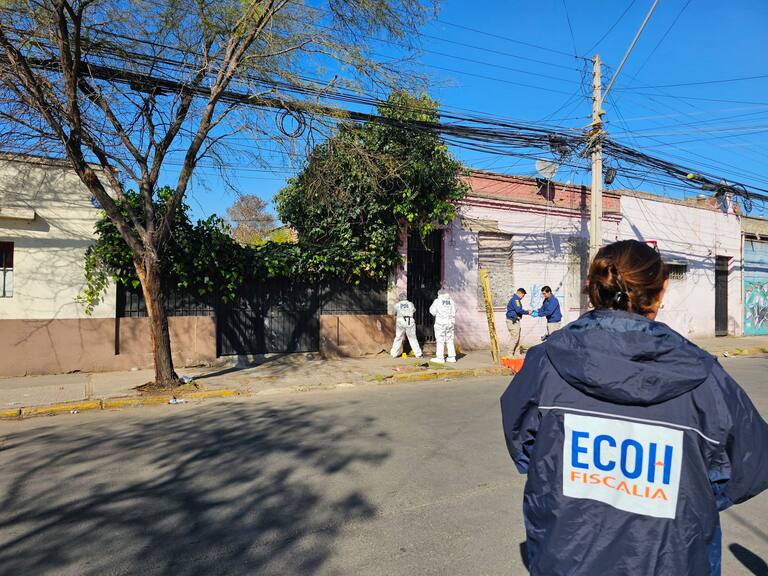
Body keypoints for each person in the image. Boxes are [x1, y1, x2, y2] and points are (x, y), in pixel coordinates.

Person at [500, 240, 768, 576]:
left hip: (566, 557)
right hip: (672, 560)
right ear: (661, 292)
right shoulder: (704, 377)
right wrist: (686, 498)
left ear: (594, 288)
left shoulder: (545, 363)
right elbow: (749, 465)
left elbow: (524, 448)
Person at [390, 292, 422, 358]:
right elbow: (413, 310)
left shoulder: (397, 304)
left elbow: (393, 312)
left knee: (398, 337)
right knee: (412, 338)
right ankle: (418, 354)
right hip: (409, 320)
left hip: (400, 321)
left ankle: (393, 354)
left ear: (400, 298)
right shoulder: (410, 304)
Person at [429, 288, 456, 364]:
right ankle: (452, 357)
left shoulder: (437, 301)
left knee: (440, 340)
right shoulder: (451, 301)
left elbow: (433, 312)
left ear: (439, 294)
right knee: (450, 340)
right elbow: (455, 311)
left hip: (440, 323)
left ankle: (440, 358)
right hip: (450, 323)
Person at [505, 288, 530, 357]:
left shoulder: (516, 300)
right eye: (523, 295)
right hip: (513, 321)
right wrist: (528, 312)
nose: (523, 297)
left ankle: (516, 353)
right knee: (515, 337)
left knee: (517, 337)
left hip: (515, 320)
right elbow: (519, 310)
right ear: (520, 293)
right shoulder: (516, 300)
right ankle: (510, 354)